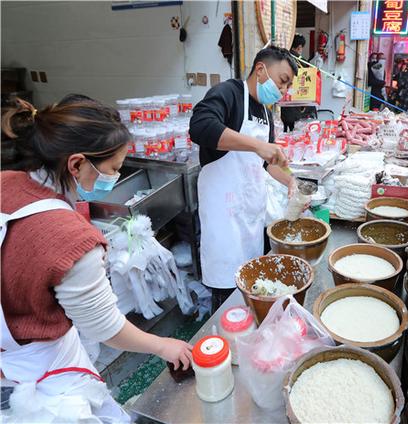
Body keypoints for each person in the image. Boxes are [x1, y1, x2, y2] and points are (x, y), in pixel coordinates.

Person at [0, 97, 192, 422]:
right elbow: (104, 326)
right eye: (114, 169)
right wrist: (162, 346)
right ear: (76, 165)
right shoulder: (72, 239)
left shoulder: (6, 180)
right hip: (45, 370)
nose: (114, 178)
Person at [189, 46, 297, 311]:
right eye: (282, 81)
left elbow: (265, 163)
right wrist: (256, 145)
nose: (283, 91)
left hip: (249, 217)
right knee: (228, 297)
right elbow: (200, 127)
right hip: (224, 220)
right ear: (260, 69)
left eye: (287, 86)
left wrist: (290, 182)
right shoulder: (228, 93)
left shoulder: (265, 113)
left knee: (253, 288)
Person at [280, 34, 314, 132]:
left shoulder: (282, 58)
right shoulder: (302, 62)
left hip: (284, 101)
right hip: (298, 102)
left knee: (284, 130)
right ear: (299, 47)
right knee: (296, 132)